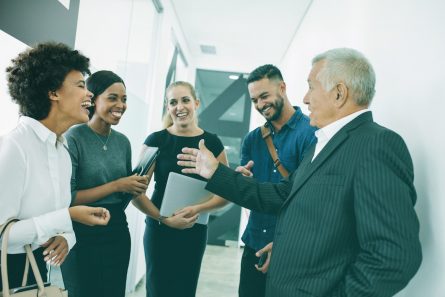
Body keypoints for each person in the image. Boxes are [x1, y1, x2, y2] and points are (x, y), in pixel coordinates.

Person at [178, 48, 422, 297]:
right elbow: (283, 195)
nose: (305, 99)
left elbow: (394, 256)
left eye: (311, 88)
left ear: (338, 93)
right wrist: (216, 172)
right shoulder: (322, 142)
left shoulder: (376, 144)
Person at [0, 42, 110, 291]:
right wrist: (68, 216)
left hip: (35, 273)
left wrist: (65, 238)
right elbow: (2, 235)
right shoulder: (13, 147)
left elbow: (58, 224)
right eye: (81, 85)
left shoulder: (62, 152)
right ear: (53, 92)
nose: (89, 94)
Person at [143, 81, 229, 297]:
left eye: (185, 100)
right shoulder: (156, 140)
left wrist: (198, 209)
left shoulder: (212, 143)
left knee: (185, 290)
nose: (179, 107)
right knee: (157, 290)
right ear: (167, 107)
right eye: (173, 102)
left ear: (196, 103)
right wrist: (163, 218)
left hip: (193, 230)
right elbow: (135, 192)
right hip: (159, 229)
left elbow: (226, 192)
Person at [236, 64, 316, 297]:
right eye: (254, 100)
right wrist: (242, 179)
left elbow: (308, 200)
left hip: (290, 249)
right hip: (253, 245)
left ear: (282, 88)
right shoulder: (252, 140)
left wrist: (283, 247)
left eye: (264, 96)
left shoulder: (311, 133)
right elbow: (248, 192)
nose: (260, 105)